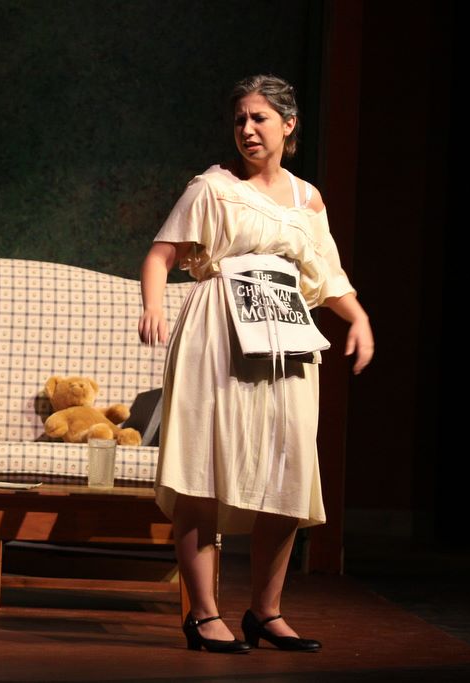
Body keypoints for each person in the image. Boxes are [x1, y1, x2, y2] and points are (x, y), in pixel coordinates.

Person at [138, 75, 374, 654]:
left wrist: (359, 318)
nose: (247, 129)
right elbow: (161, 254)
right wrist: (153, 305)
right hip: (218, 331)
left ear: (288, 126)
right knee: (202, 467)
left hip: (285, 333)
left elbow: (329, 276)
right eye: (240, 118)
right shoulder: (213, 188)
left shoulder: (307, 199)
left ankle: (266, 612)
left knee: (288, 469)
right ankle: (203, 615)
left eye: (260, 118)